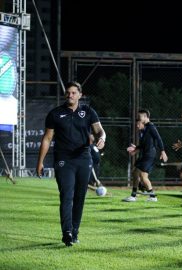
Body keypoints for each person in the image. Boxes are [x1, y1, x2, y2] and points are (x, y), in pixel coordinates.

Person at [36, 81, 106, 247]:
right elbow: (47, 138)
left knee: (79, 198)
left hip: (84, 158)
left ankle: (75, 232)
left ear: (80, 95)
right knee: (66, 195)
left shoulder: (88, 112)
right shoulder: (55, 114)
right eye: (68, 92)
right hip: (63, 160)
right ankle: (66, 232)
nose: (70, 95)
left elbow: (99, 131)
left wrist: (102, 138)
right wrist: (40, 162)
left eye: (74, 93)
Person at [123, 109, 168, 202]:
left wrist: (163, 151)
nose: (138, 120)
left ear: (145, 117)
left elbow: (158, 139)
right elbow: (144, 145)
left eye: (139, 117)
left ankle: (152, 196)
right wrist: (135, 149)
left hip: (149, 155)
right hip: (145, 155)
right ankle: (133, 195)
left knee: (143, 176)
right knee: (135, 172)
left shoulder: (151, 127)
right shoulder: (144, 129)